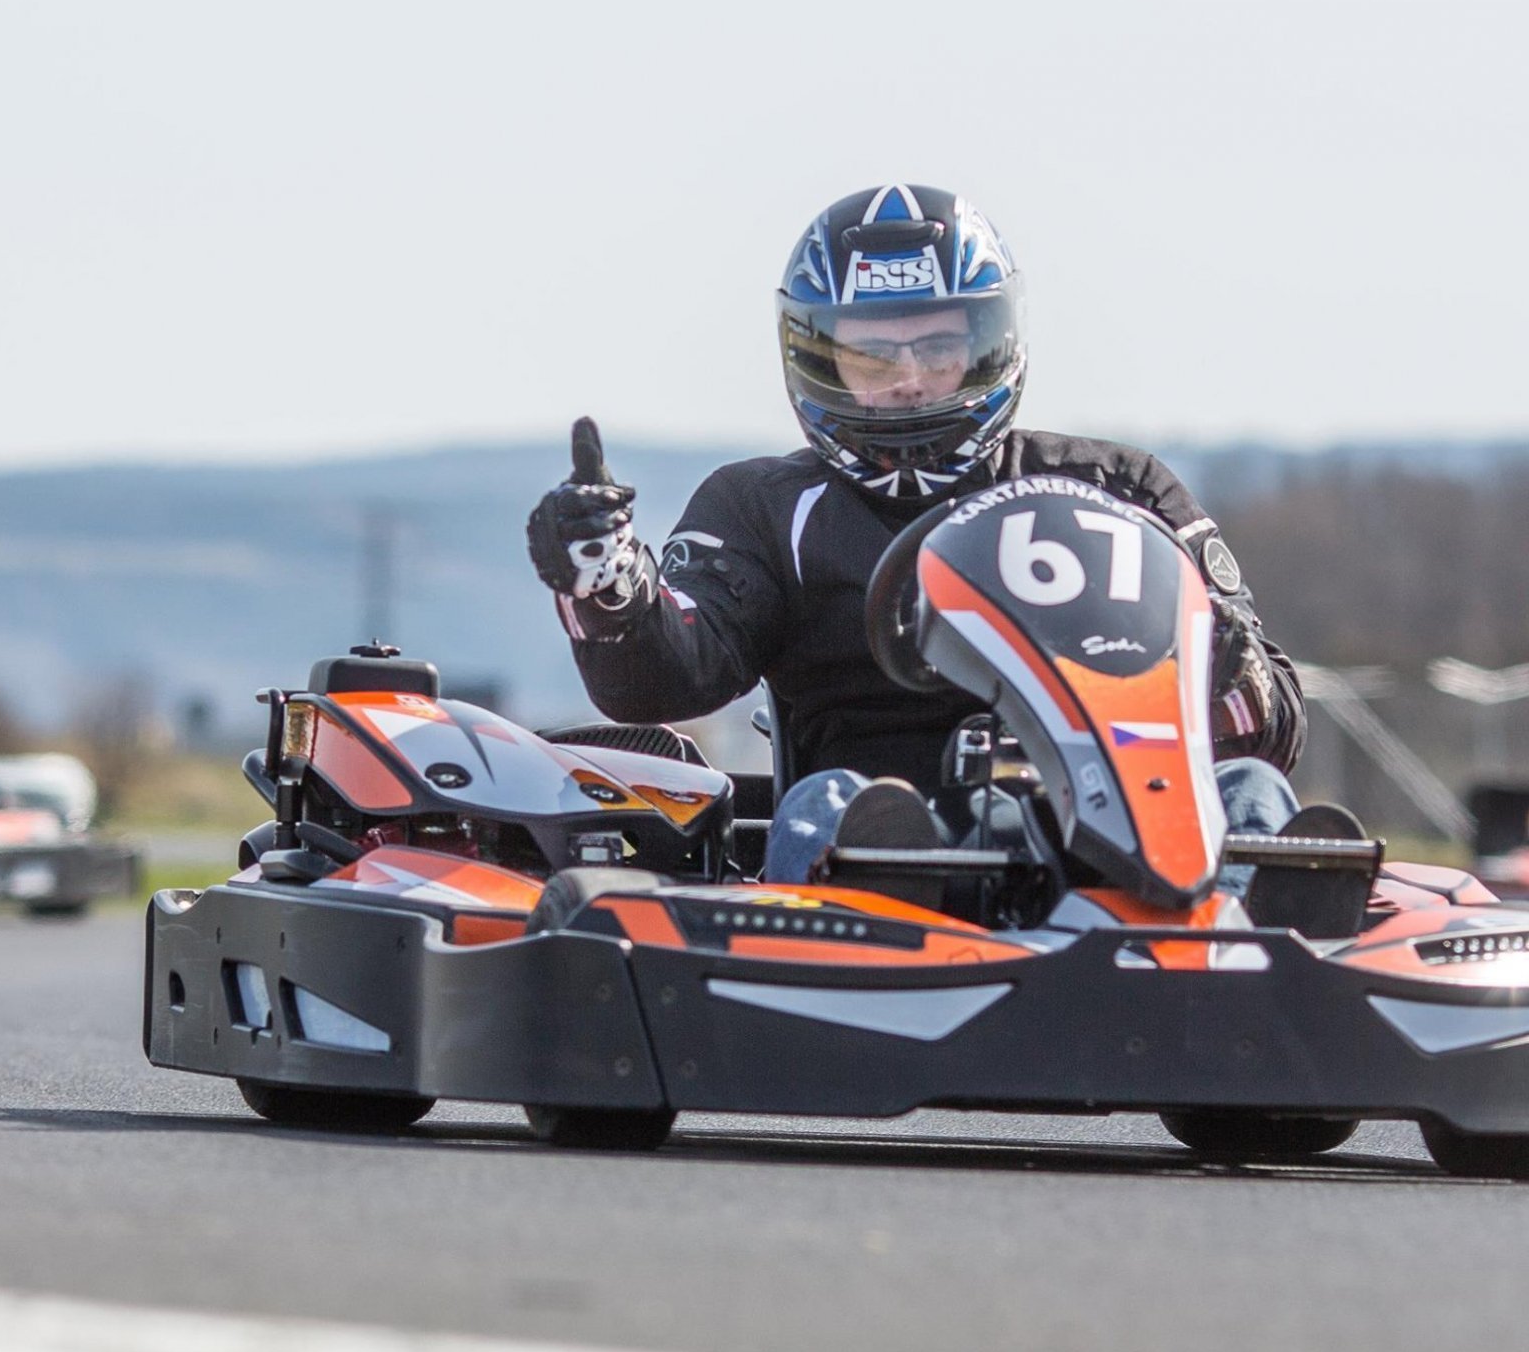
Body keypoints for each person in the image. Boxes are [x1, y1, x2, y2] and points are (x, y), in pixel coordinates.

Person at [527, 183, 1305, 889]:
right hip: (881, 849)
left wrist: (1219, 664)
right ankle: (856, 957)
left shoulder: (1118, 491)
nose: (907, 380)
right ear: (817, 358)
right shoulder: (763, 508)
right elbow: (669, 676)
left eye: (937, 350)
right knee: (825, 807)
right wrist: (611, 593)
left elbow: (1273, 725)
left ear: (990, 344)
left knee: (1253, 794)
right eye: (871, 354)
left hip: (1113, 839)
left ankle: (1259, 987)